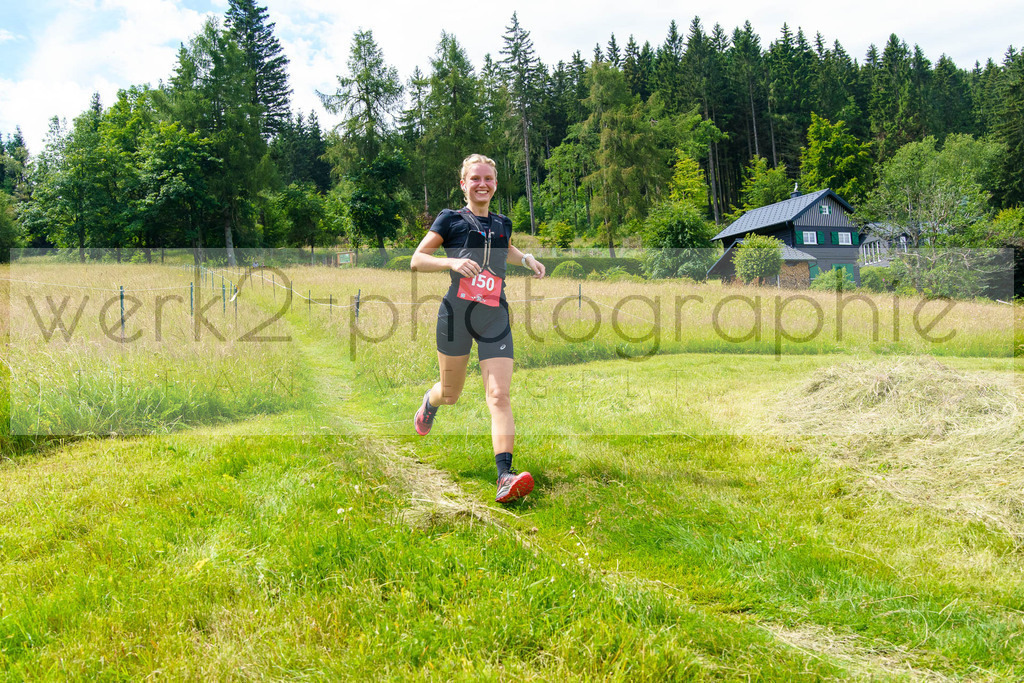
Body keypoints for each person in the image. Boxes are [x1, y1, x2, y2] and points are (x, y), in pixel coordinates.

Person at [410, 154, 546, 504]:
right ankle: (430, 401)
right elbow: (417, 259)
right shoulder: (450, 220)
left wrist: (527, 259)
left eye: (488, 179)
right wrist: (452, 261)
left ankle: (505, 475)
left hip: (493, 315)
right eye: (475, 179)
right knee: (451, 393)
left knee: (499, 396)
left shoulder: (502, 223)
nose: (482, 184)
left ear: (495, 184)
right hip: (455, 315)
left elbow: (507, 248)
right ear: (463, 184)